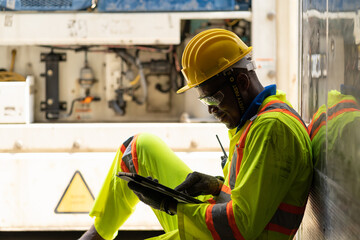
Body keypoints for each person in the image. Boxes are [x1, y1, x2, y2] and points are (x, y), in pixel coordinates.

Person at [80, 28, 313, 240]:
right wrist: (213, 187)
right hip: (228, 228)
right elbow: (250, 197)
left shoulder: (271, 130)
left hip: (233, 235)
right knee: (137, 150)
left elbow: (240, 227)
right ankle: (94, 236)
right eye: (205, 100)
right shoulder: (256, 119)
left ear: (241, 81)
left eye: (214, 98)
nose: (211, 109)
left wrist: (171, 205)